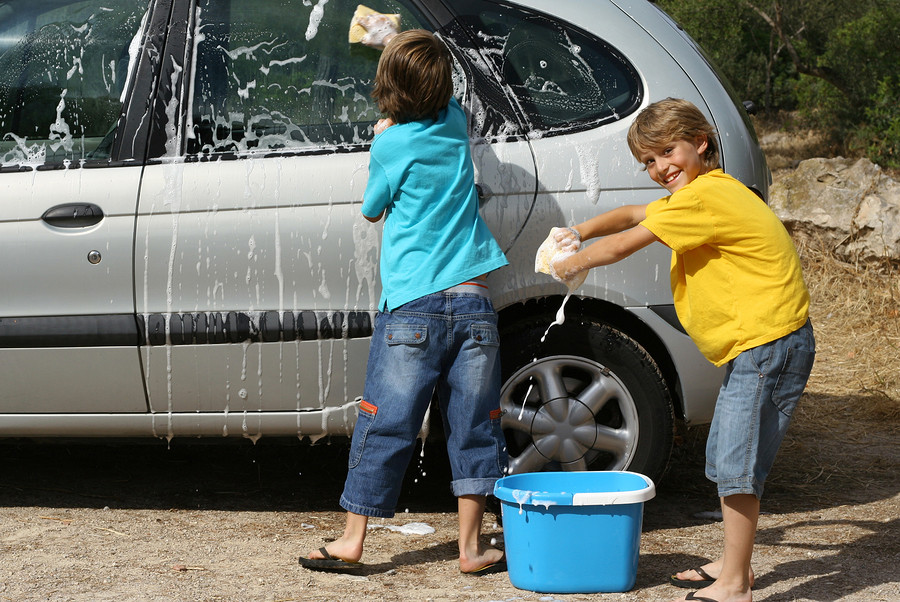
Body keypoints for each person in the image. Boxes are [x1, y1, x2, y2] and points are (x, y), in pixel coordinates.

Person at [550, 98, 816, 602]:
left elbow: (629, 240)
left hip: (770, 344)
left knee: (736, 460)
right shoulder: (706, 193)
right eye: (648, 162)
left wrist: (571, 263)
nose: (659, 168)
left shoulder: (705, 199)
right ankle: (733, 563)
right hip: (763, 343)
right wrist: (578, 230)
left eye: (667, 152)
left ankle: (735, 583)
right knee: (729, 456)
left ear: (700, 142)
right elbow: (631, 211)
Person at [299, 27, 509, 576]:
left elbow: (373, 208)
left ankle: (351, 541)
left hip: (413, 306)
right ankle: (470, 548)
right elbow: (444, 93)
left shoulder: (391, 143)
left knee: (386, 422)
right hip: (473, 302)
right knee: (474, 425)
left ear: (388, 87)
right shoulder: (457, 124)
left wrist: (381, 138)